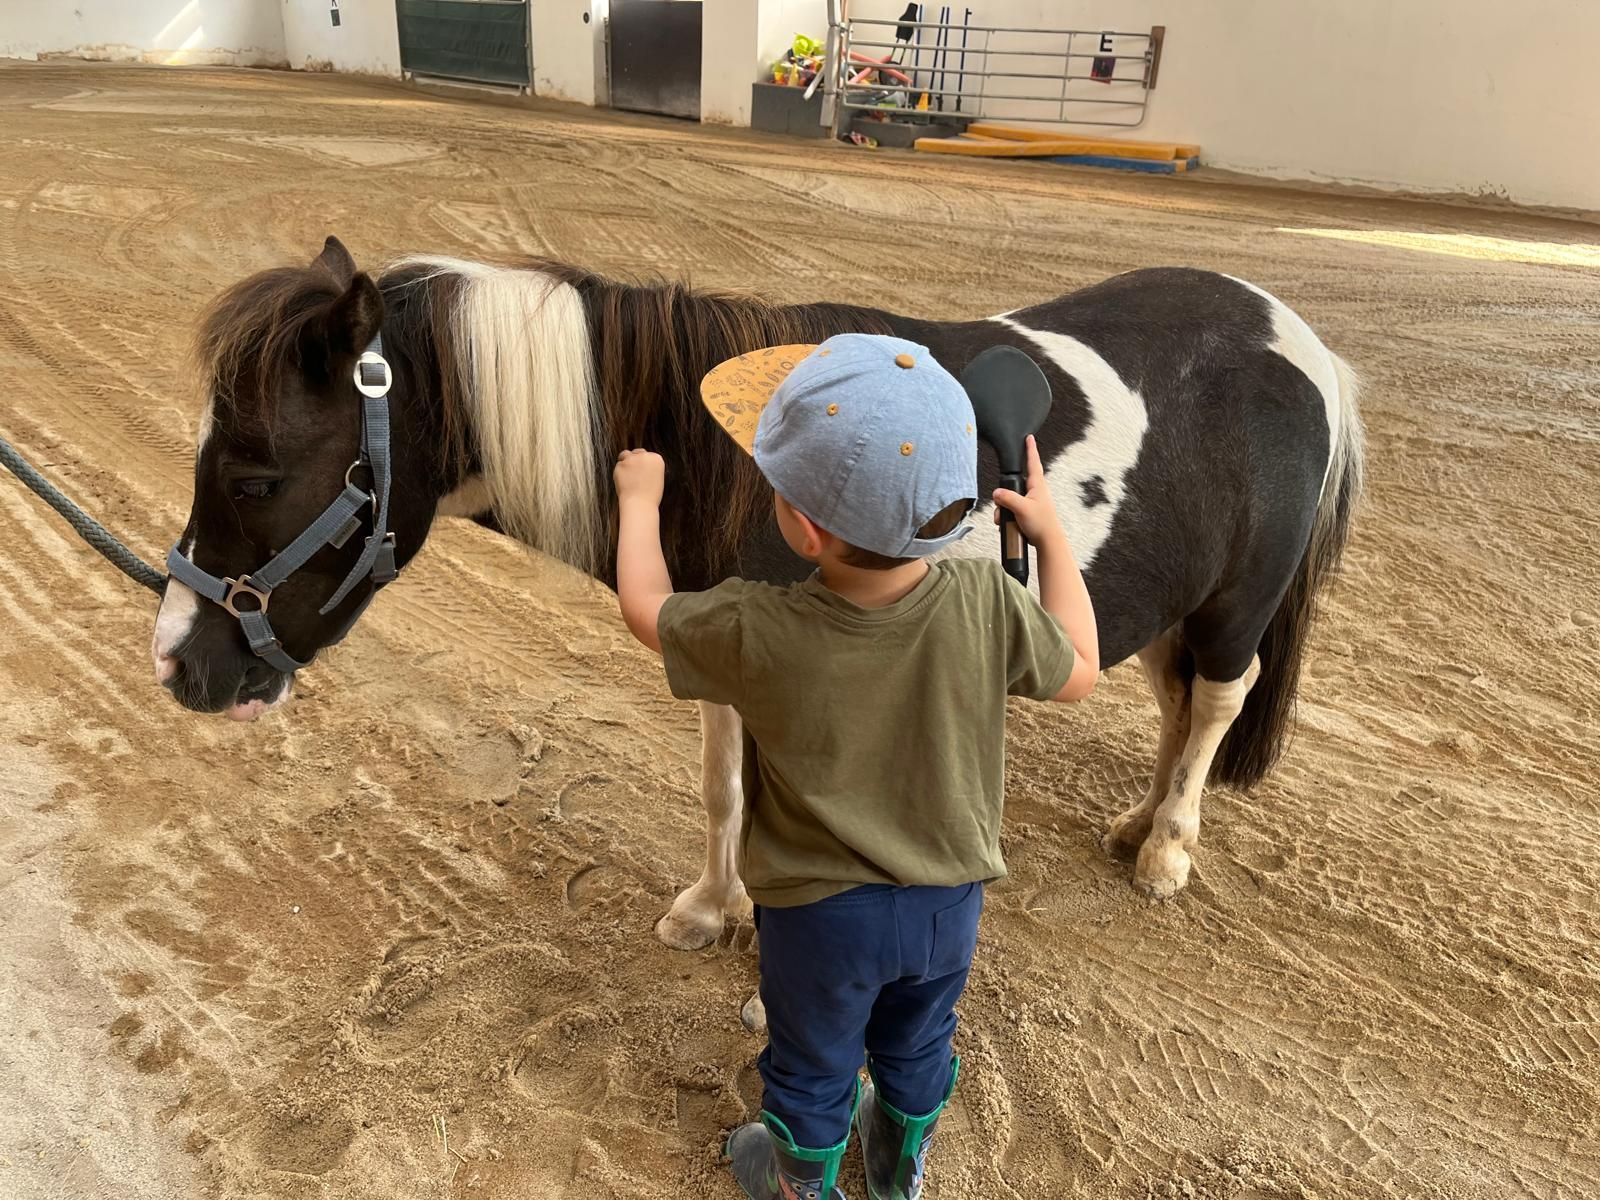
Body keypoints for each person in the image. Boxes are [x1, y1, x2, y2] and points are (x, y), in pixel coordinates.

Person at [611, 334, 1098, 1200]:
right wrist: (1052, 537)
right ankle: (897, 1165)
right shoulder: (988, 600)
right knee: (917, 1044)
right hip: (949, 903)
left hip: (819, 919)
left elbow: (646, 610)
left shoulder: (756, 628)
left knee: (811, 1063)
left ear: (802, 526)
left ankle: (803, 1180)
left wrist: (638, 502)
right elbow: (1082, 670)